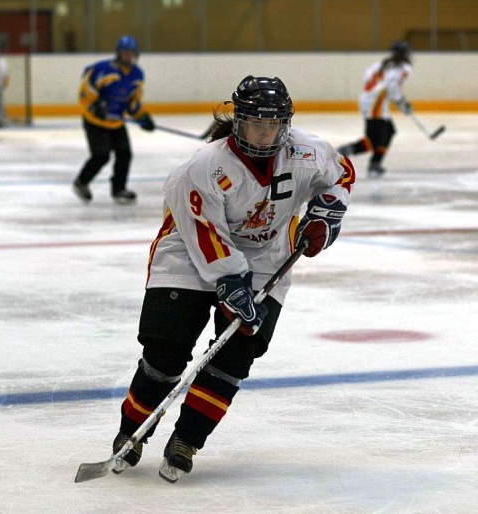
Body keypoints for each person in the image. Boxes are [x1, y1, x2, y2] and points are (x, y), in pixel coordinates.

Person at [106, 76, 356, 483]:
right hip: (187, 254)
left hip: (265, 257)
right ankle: (131, 432)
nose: (265, 132)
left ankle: (187, 439)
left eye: (274, 124)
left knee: (236, 354)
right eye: (257, 123)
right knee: (164, 353)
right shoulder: (203, 167)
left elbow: (341, 175)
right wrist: (228, 280)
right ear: (238, 121)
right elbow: (203, 232)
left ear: (286, 124)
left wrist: (326, 216)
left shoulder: (307, 152)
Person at [72, 35, 155, 205]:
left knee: (124, 153)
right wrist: (95, 106)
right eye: (125, 53)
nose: (128, 56)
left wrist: (142, 117)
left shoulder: (137, 75)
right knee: (101, 155)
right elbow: (85, 90)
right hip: (95, 121)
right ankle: (81, 182)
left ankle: (119, 189)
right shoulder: (102, 69)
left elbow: (134, 102)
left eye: (131, 53)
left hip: (116, 121)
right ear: (118, 53)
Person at [338, 40, 413, 177]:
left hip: (369, 99)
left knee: (389, 130)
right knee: (373, 140)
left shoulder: (381, 64)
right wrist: (403, 104)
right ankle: (347, 150)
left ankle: (375, 162)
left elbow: (367, 79)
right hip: (376, 103)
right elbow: (393, 88)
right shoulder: (403, 68)